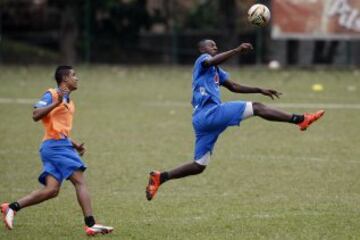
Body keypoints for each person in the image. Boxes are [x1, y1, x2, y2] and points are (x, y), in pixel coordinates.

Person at [145, 40, 325, 201]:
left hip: (201, 120)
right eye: (211, 45)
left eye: (216, 45)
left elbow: (234, 86)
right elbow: (211, 60)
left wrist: (259, 89)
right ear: (202, 49)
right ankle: (300, 119)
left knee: (199, 165)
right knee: (257, 108)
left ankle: (161, 177)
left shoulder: (216, 70)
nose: (215, 47)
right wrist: (237, 50)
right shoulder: (202, 61)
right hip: (210, 113)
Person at [1, 66, 113, 236]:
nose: (77, 78)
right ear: (65, 78)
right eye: (74, 75)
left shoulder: (70, 102)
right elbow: (35, 114)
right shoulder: (52, 94)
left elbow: (59, 129)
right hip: (55, 147)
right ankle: (90, 224)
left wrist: (75, 144)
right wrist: (56, 103)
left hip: (58, 145)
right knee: (80, 181)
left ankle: (12, 207)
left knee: (51, 190)